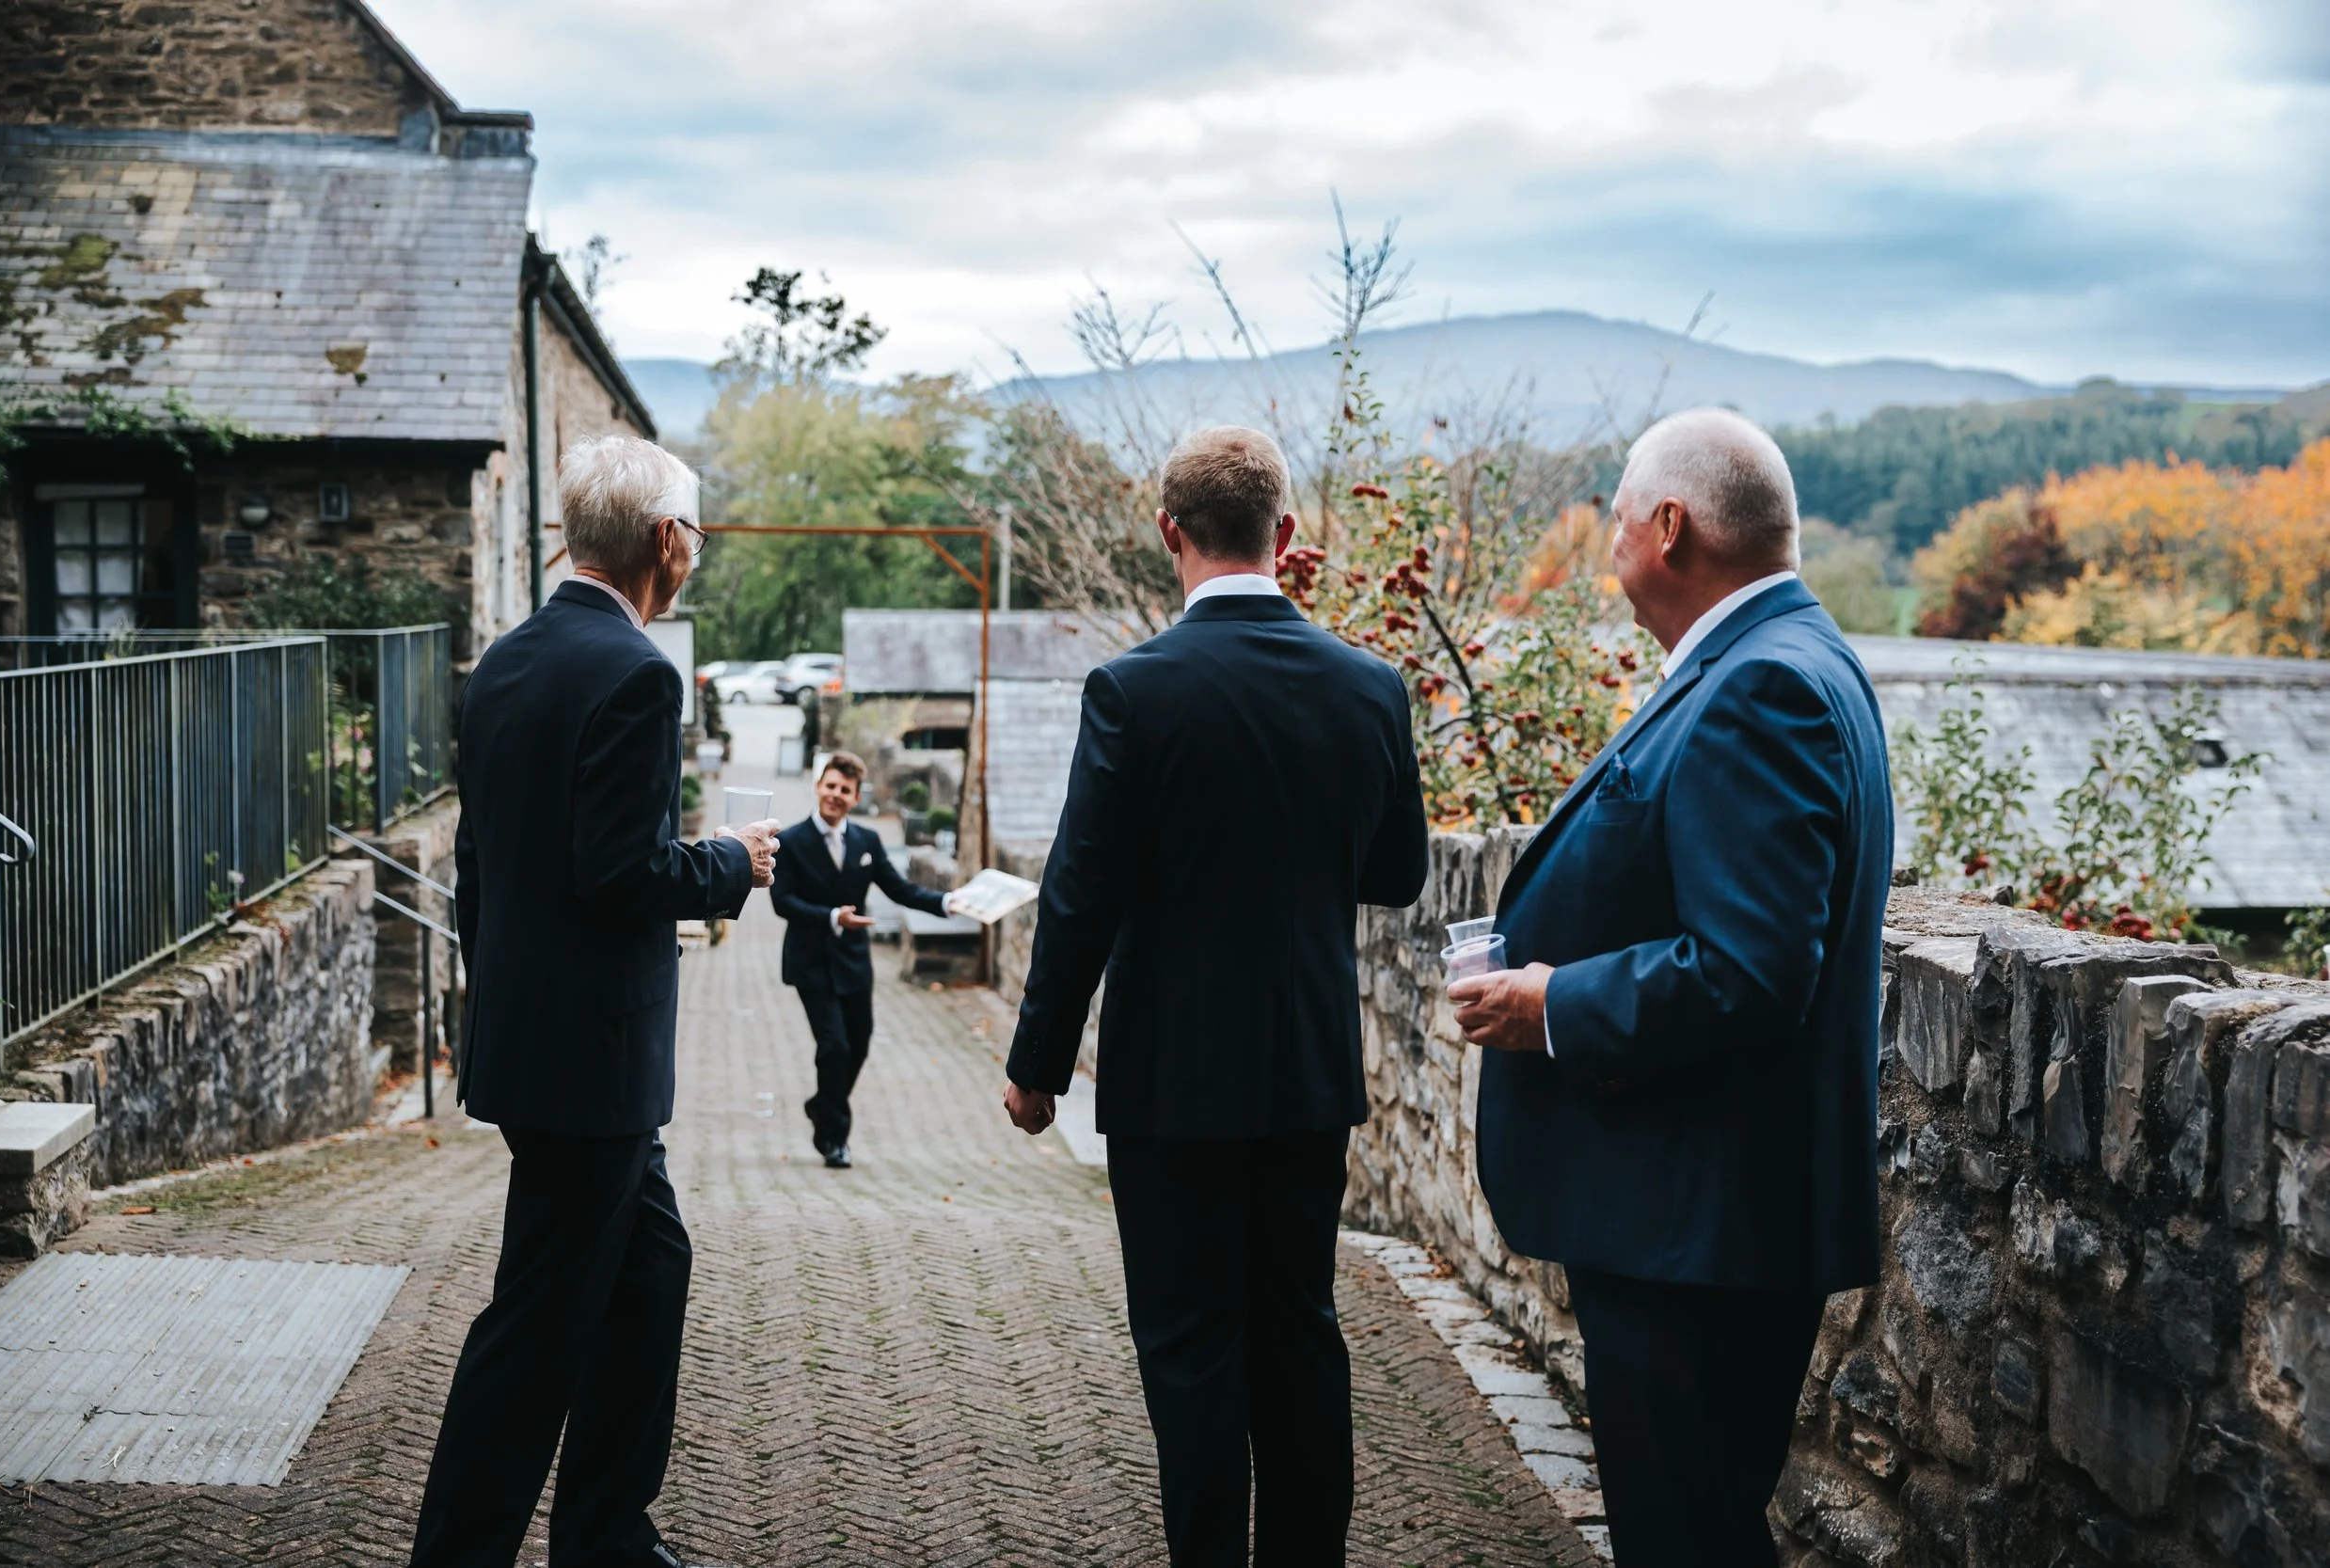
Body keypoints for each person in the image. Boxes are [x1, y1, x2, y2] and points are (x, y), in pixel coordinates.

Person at [1449, 409, 1892, 1568]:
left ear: (1667, 526)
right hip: (1706, 1214)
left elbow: (1749, 970)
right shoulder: (1799, 657)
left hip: (1699, 1223)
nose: (1603, 550)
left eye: (1611, 521)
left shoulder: (1764, 689)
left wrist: (1552, 1004)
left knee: (1682, 1535)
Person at [1001, 426, 1429, 1566]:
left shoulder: (1134, 691)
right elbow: (1396, 875)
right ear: (1286, 537)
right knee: (1299, 1333)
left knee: (1190, 1352)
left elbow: (1078, 893)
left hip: (1170, 1085)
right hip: (1303, 1074)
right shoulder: (1370, 687)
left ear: (1167, 535)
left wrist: (1037, 1063)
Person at [411, 436, 779, 1568]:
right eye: (699, 534)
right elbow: (618, 871)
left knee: (649, 1266)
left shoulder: (507, 660)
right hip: (590, 1062)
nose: (698, 551)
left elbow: (485, 863)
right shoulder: (635, 672)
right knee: (533, 1327)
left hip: (536, 1041)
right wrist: (728, 862)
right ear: (667, 541)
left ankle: (608, 1528)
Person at [770, 751, 951, 1168]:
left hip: (854, 963)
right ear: (818, 787)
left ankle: (821, 1103)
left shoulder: (867, 842)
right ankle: (835, 1138)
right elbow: (783, 902)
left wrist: (946, 903)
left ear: (855, 797)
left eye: (845, 790)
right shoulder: (792, 841)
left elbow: (900, 889)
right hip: (810, 960)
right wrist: (833, 917)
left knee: (859, 1045)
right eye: (830, 786)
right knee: (833, 1045)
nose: (836, 794)